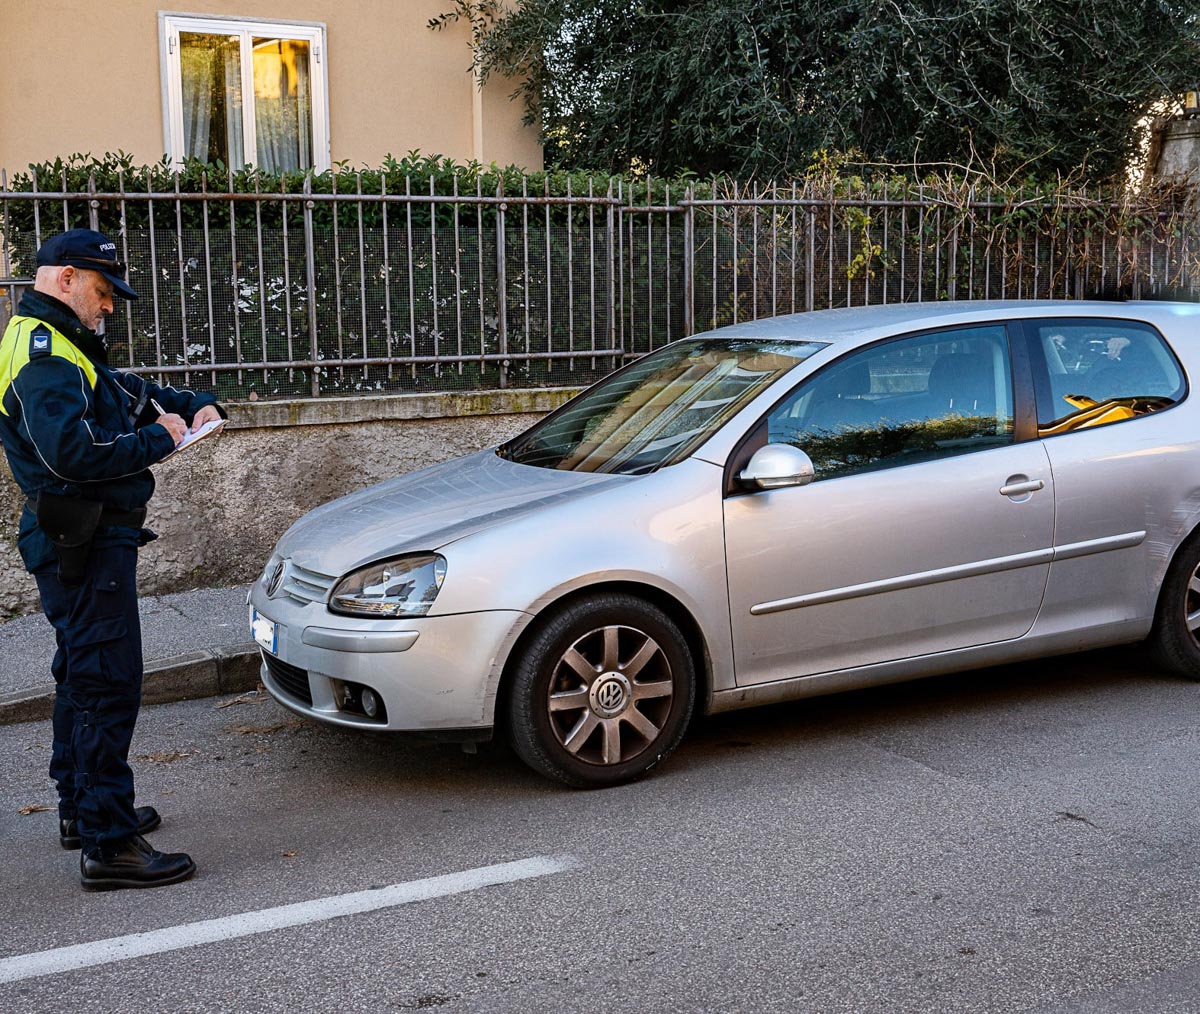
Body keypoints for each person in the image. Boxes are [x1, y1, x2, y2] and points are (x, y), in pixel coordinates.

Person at [0, 228, 225, 890]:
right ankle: (109, 844)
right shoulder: (44, 355)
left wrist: (185, 405)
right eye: (102, 291)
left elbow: (116, 389)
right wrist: (159, 438)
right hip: (84, 538)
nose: (109, 306)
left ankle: (82, 809)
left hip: (82, 535)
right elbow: (73, 453)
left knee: (81, 674)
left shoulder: (59, 343)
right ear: (65, 278)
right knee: (106, 680)